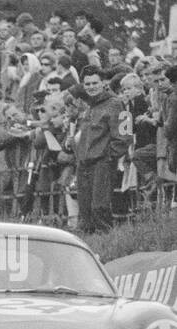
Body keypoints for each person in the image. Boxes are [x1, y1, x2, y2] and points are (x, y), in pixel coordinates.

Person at [75, 65, 130, 233]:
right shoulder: (87, 107)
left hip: (102, 163)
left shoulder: (115, 104)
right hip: (83, 164)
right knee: (85, 211)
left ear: (103, 83)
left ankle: (108, 241)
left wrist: (108, 157)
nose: (91, 87)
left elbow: (124, 136)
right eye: (87, 84)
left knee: (100, 207)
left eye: (95, 83)